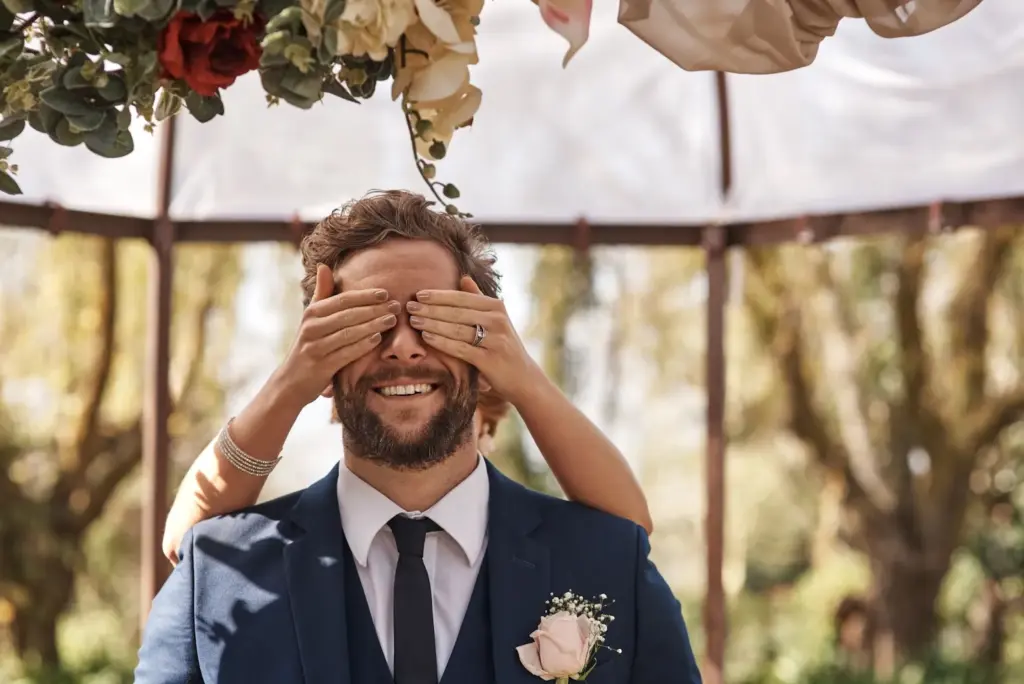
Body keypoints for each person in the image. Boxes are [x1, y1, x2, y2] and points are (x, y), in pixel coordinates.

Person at [135, 190, 702, 684]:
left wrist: (522, 375)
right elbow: (183, 542)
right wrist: (290, 381)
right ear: (319, 355)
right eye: (366, 321)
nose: (403, 346)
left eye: (435, 319)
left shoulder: (609, 563)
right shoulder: (216, 575)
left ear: (487, 349)